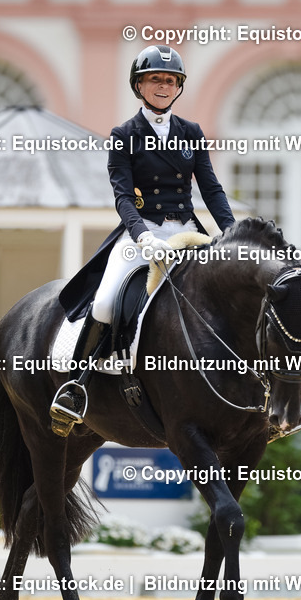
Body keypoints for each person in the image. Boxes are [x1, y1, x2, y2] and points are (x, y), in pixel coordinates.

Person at [52, 45, 235, 431]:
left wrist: (232, 233)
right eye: (156, 79)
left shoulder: (191, 133)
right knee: (104, 302)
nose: (164, 86)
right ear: (140, 85)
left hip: (186, 231)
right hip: (143, 232)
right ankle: (76, 387)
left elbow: (212, 190)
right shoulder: (124, 135)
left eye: (170, 81)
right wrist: (142, 235)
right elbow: (122, 195)